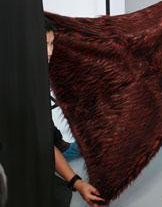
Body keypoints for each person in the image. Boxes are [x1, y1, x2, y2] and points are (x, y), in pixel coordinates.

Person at [46, 20, 106, 206]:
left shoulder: (40, 75)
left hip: (56, 145)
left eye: (51, 43)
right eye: (44, 44)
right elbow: (42, 145)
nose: (50, 51)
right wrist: (77, 183)